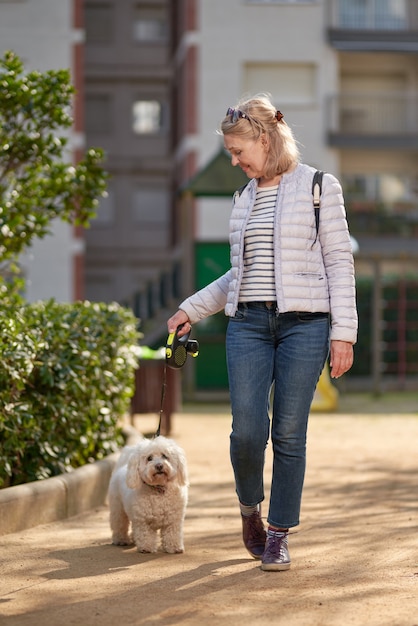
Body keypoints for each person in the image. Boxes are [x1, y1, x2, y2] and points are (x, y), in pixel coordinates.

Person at [167, 94, 357, 571]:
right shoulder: (244, 198)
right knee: (248, 432)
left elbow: (339, 262)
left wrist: (344, 333)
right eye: (231, 153)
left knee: (290, 433)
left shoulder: (318, 186)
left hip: (306, 326)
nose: (234, 161)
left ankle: (278, 533)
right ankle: (249, 509)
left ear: (266, 138)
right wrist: (191, 308)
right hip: (248, 323)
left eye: (238, 151)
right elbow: (238, 274)